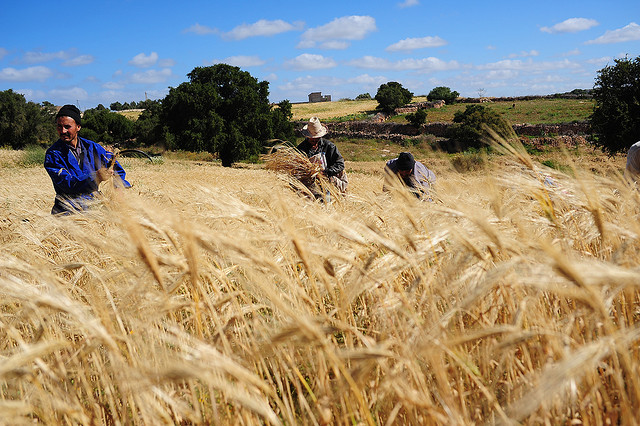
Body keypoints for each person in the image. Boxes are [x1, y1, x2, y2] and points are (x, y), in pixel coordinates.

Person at [44, 104, 131, 215]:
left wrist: (119, 190)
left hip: (95, 206)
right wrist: (96, 177)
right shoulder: (53, 154)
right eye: (59, 127)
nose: (62, 131)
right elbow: (68, 184)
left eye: (67, 127)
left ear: (78, 127)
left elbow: (116, 168)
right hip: (66, 211)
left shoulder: (92, 147)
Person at [296, 117, 348, 199]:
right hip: (310, 183)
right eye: (312, 139)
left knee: (327, 197)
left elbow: (340, 164)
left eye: (317, 138)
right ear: (307, 136)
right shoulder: (301, 150)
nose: (314, 141)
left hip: (328, 180)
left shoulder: (329, 146)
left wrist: (326, 172)